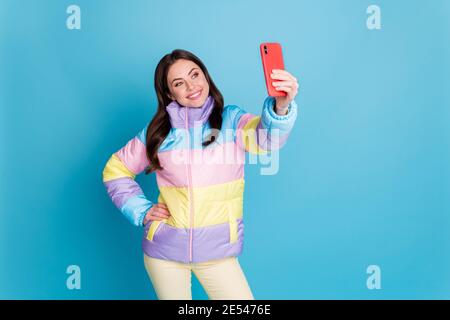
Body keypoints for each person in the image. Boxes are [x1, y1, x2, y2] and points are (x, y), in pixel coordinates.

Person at [102, 49, 299, 299]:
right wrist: (141, 210)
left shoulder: (231, 121)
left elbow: (266, 140)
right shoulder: (158, 133)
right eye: (178, 83)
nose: (191, 86)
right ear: (169, 93)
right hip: (164, 254)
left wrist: (280, 108)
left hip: (218, 253)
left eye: (195, 75)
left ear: (206, 76)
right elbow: (115, 170)